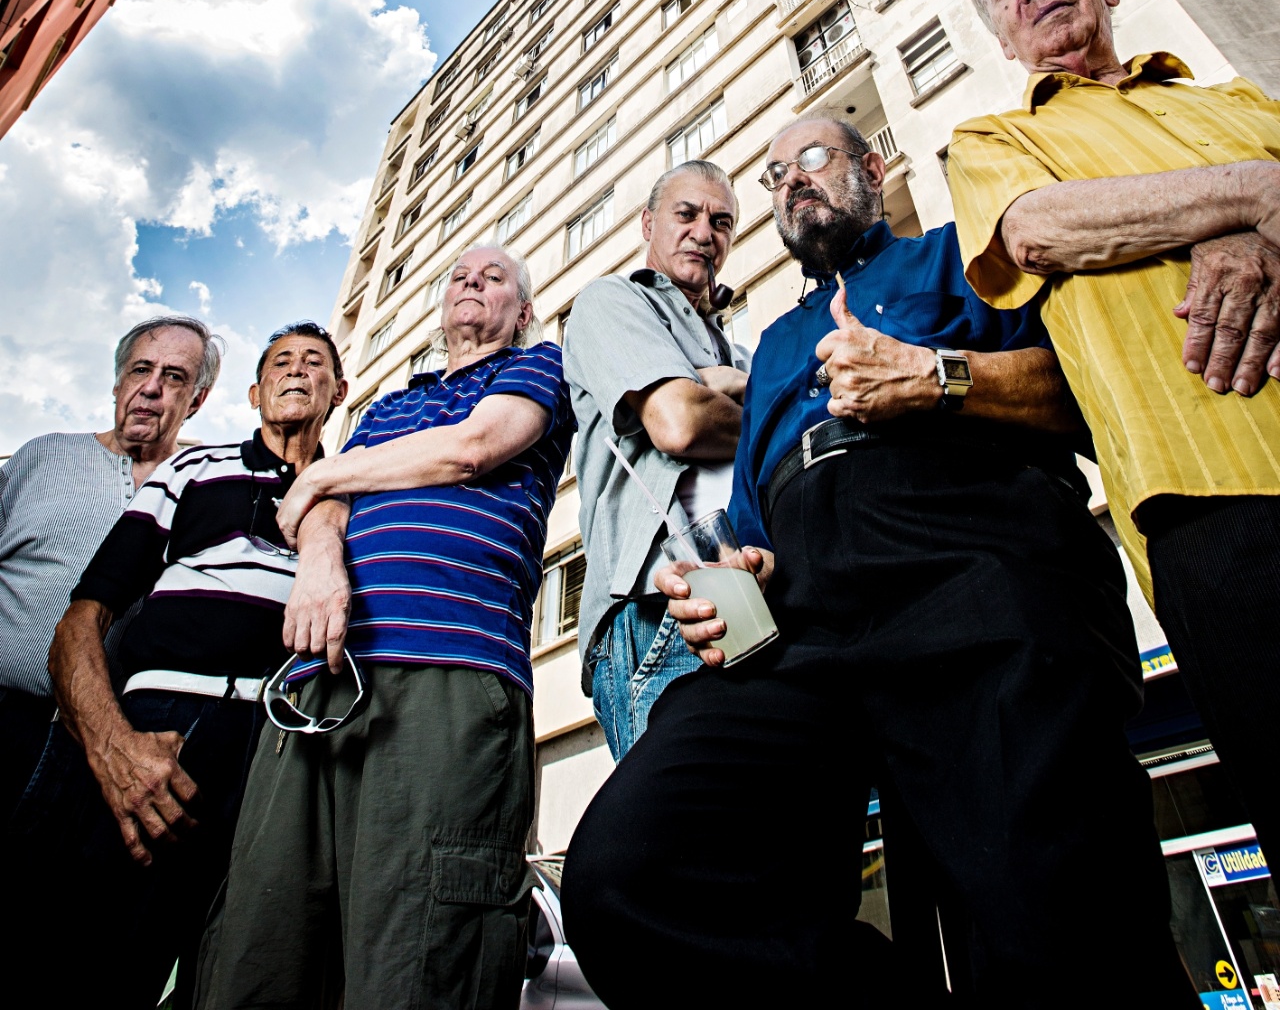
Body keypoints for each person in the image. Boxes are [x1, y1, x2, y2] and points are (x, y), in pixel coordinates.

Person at [561, 116, 1197, 1010]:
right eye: (777, 174)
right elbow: (743, 514)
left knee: (1049, 917)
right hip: (805, 625)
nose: (792, 181)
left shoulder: (964, 258)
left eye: (812, 159)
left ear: (874, 167)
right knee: (634, 876)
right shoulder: (776, 343)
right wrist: (734, 574)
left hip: (971, 565)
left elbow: (1095, 391)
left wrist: (939, 377)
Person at [951, 0, 1280, 869]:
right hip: (1203, 495)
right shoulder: (994, 138)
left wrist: (1243, 229)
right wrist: (1252, 196)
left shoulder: (1245, 103)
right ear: (1003, 37)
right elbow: (1042, 230)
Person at [195, 246, 575, 1010]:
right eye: (460, 278)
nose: (472, 285)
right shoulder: (387, 408)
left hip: (447, 674)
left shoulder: (538, 368)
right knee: (257, 951)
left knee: (418, 959)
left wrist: (326, 476)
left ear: (524, 311)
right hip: (314, 682)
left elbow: (471, 451)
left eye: (494, 278)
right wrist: (323, 560)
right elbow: (309, 511)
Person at [4, 322, 344, 1010]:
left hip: (281, 747)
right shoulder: (191, 469)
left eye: (316, 363)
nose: (298, 372)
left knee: (236, 975)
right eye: (282, 361)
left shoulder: (356, 494)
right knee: (89, 960)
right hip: (163, 730)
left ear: (341, 391)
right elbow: (83, 618)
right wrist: (114, 746)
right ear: (252, 392)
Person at [563, 158, 749, 758]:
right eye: (686, 213)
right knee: (684, 841)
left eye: (721, 222)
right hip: (654, 606)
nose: (704, 232)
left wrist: (713, 378)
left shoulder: (740, 350)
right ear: (648, 223)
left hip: (750, 585)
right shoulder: (610, 300)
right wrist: (715, 391)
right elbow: (679, 422)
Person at [0, 315, 221, 820]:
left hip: (105, 756)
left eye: (174, 376)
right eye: (141, 369)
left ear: (197, 400)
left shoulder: (203, 487)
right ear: (118, 382)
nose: (151, 388)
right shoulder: (42, 455)